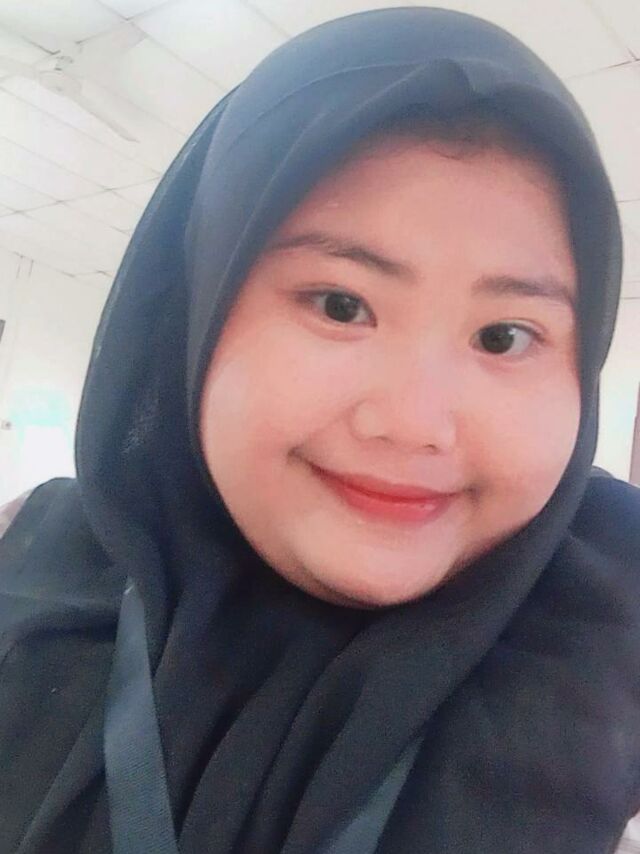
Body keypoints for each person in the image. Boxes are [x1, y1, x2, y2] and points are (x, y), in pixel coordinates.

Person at [1, 7, 639, 854]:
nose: (414, 424)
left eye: (503, 337)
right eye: (341, 305)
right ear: (196, 316)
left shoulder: (613, 632)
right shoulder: (27, 561)